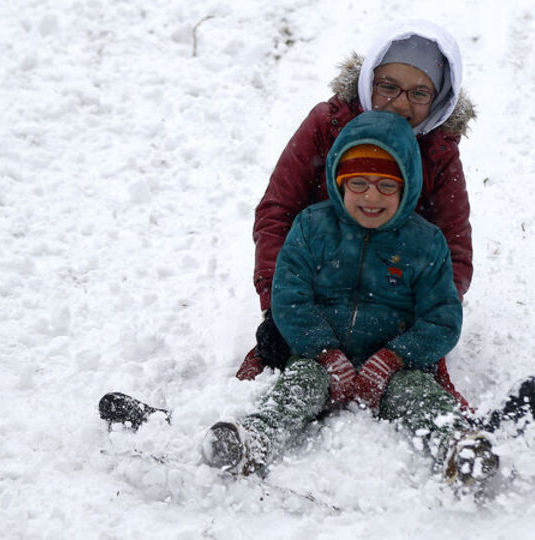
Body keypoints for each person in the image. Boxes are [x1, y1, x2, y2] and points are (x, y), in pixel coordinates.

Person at [203, 111, 498, 489]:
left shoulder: (425, 243)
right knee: (299, 384)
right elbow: (290, 298)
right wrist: (323, 352)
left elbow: (442, 318)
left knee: (420, 394)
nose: (371, 196)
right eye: (358, 182)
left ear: (407, 186)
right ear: (339, 181)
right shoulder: (312, 228)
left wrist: (395, 358)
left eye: (386, 185)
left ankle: (458, 444)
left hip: (394, 367)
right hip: (320, 359)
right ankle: (253, 439)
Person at [238, 20, 475, 408]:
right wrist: (276, 302)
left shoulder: (438, 149)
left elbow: (454, 244)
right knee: (278, 381)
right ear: (369, 80)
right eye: (388, 86)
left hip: (394, 297)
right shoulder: (328, 125)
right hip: (321, 288)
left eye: (419, 93)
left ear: (439, 98)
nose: (401, 103)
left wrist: (426, 319)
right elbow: (277, 211)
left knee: (418, 392)